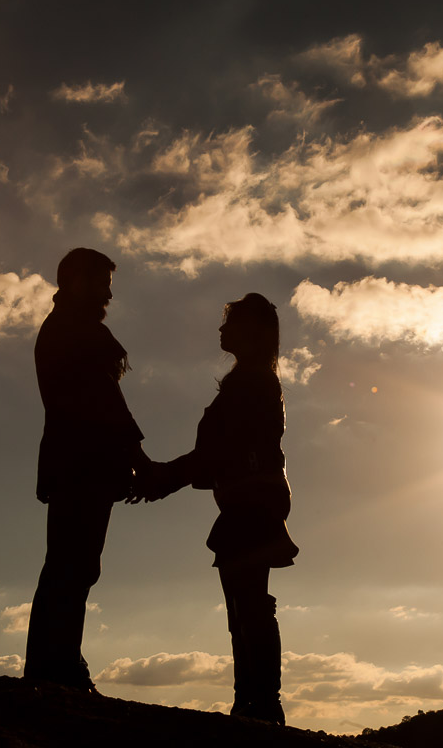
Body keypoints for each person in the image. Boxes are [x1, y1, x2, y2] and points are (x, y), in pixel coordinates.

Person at [136, 293, 298, 725]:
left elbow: (216, 453)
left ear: (251, 331)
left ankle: (261, 703)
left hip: (251, 501)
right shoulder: (250, 381)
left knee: (249, 605)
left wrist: (163, 478)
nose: (222, 330)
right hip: (250, 499)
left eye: (230, 323)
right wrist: (166, 477)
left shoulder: (250, 384)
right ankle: (252, 701)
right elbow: (215, 455)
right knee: (244, 604)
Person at [24, 247, 148, 692]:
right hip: (82, 463)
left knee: (70, 563)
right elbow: (105, 401)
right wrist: (138, 458)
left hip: (73, 461)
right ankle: (58, 665)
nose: (108, 295)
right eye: (101, 284)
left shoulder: (65, 328)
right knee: (73, 565)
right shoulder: (75, 331)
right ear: (76, 281)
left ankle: (55, 662)